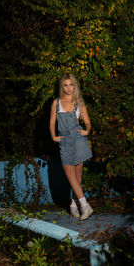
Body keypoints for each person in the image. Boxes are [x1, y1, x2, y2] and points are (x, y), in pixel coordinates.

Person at [49, 73, 93, 220]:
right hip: (65, 142)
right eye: (65, 85)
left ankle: (74, 205)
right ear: (62, 87)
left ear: (75, 86)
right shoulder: (56, 103)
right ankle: (85, 205)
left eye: (71, 84)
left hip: (79, 141)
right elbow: (52, 122)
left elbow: (87, 122)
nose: (68, 88)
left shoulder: (79, 102)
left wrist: (86, 131)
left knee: (78, 176)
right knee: (70, 174)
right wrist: (54, 136)